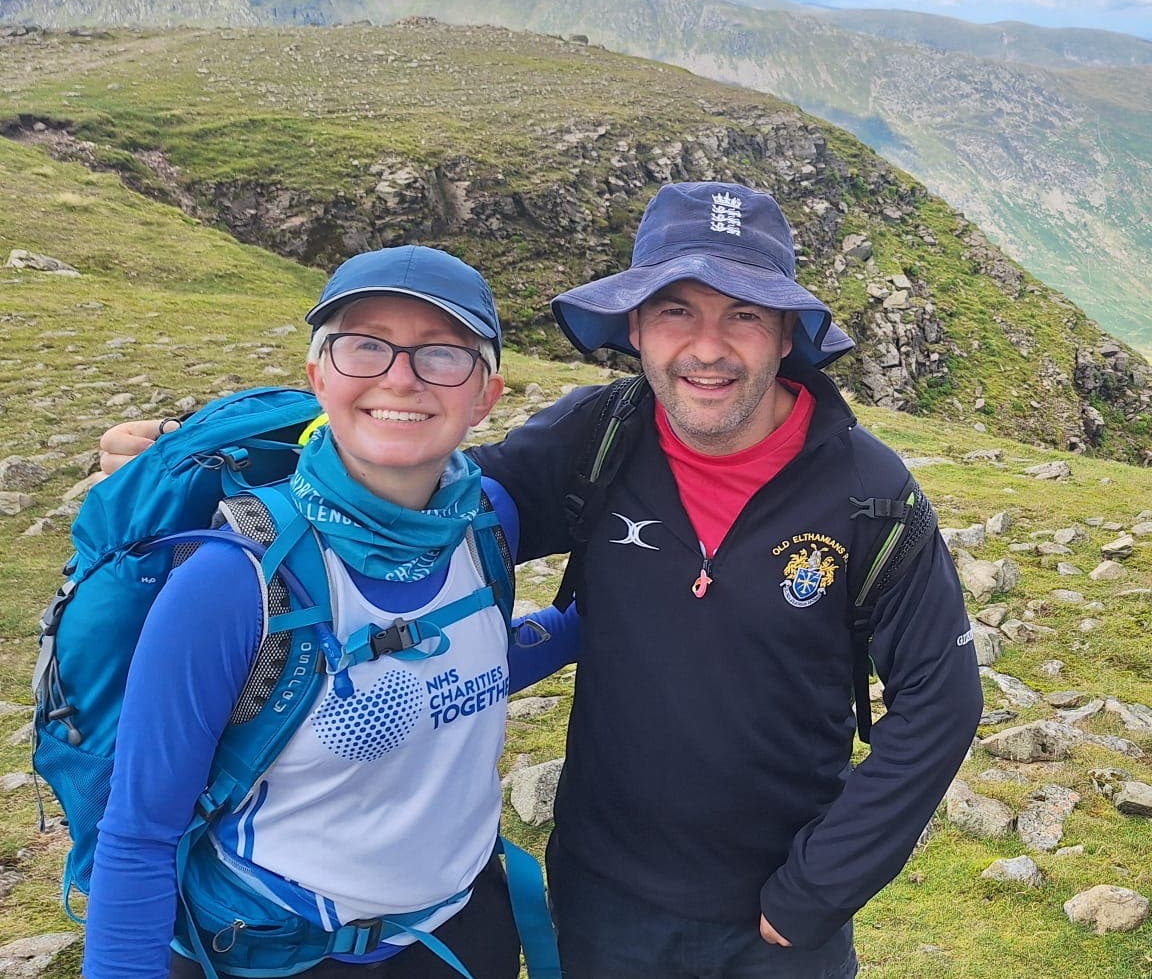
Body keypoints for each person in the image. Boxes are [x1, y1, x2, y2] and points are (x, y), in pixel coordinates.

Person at [101, 181, 984, 979]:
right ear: (634, 326)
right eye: (675, 311)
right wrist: (201, 460)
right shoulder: (595, 441)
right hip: (602, 894)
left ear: (786, 334)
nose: (707, 348)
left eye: (744, 314)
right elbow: (413, 480)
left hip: (783, 916)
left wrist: (818, 888)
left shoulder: (869, 494)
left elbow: (940, 704)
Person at [84, 245, 579, 979]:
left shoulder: (486, 524)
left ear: (486, 395)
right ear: (320, 375)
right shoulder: (234, 581)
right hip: (275, 954)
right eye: (363, 347)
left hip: (458, 933)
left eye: (442, 354)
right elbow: (139, 836)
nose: (400, 376)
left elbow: (451, 668)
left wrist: (582, 628)